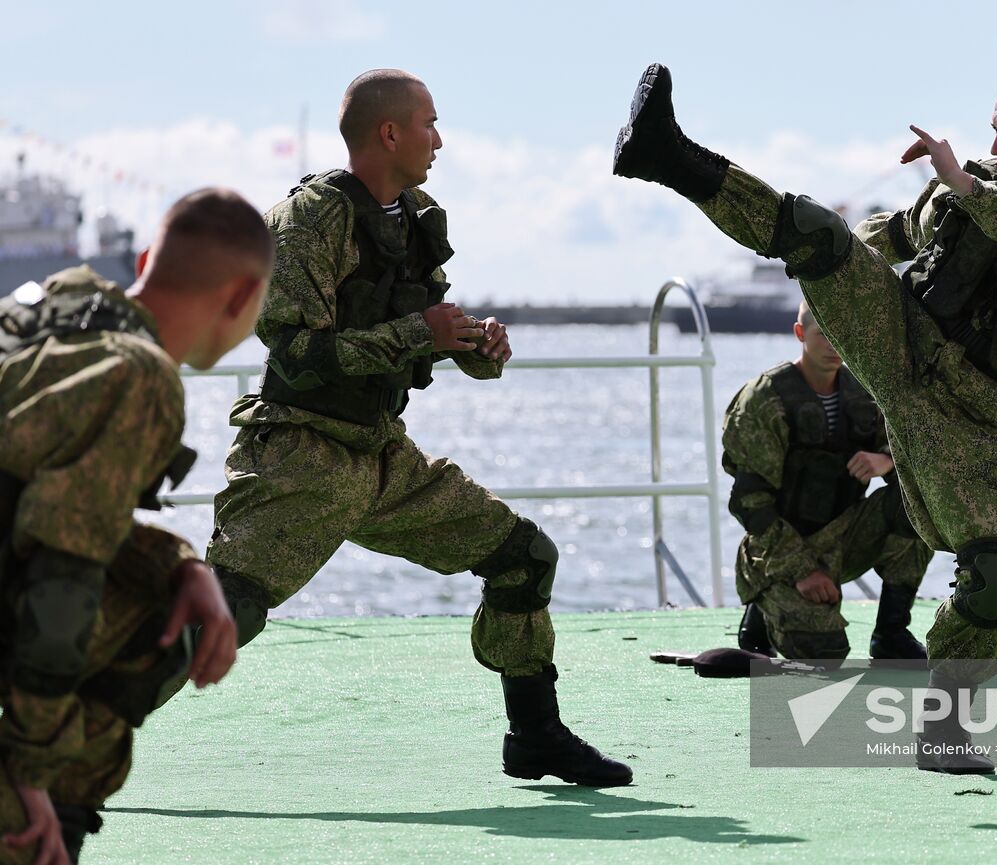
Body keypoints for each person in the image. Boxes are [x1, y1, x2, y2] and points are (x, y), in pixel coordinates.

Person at [614, 65, 997, 773]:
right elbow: (898, 231)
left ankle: (944, 725)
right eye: (993, 128)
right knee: (817, 231)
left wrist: (971, 188)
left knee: (993, 571)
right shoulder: (971, 181)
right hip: (900, 338)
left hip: (974, 415)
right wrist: (837, 262)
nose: (996, 142)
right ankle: (665, 154)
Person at [204, 68, 630, 787]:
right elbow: (299, 356)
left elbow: (426, 334)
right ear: (389, 132)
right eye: (430, 123)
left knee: (524, 556)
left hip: (381, 454)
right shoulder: (309, 221)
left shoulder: (419, 219)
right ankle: (48, 731)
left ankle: (535, 735)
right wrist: (416, 332)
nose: (440, 139)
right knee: (224, 614)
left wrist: (476, 346)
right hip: (302, 455)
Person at [0, 187, 268, 864]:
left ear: (146, 256)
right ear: (240, 298)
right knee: (153, 624)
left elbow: (39, 489)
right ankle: (34, 829)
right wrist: (31, 767)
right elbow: (64, 570)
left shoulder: (48, 308)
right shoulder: (140, 375)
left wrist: (183, 561)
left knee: (151, 582)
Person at [724, 300, 931, 661]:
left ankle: (891, 634)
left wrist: (886, 461)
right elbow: (750, 503)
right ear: (800, 334)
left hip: (843, 534)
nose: (834, 345)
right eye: (823, 335)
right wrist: (804, 571)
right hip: (777, 548)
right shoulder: (765, 399)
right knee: (824, 652)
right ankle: (762, 609)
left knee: (921, 503)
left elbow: (919, 460)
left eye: (840, 335)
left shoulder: (864, 394)